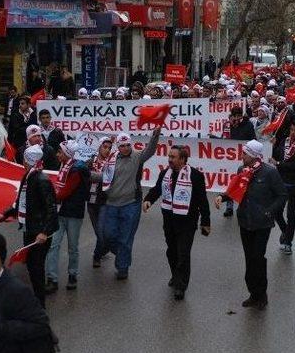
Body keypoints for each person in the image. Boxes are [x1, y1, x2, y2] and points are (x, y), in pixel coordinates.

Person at [214, 140, 287, 309]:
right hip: (245, 221)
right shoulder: (243, 170)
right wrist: (222, 197)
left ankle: (261, 295)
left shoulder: (269, 172)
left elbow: (282, 195)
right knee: (249, 258)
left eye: (245, 154)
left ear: (254, 156)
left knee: (258, 258)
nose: (242, 156)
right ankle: (253, 293)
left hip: (262, 224)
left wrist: (269, 211)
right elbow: (235, 190)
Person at [143, 145, 210, 300]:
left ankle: (181, 286)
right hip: (169, 220)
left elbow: (203, 201)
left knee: (183, 253)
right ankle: (176, 274)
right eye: (169, 157)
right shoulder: (165, 174)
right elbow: (157, 189)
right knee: (171, 251)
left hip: (187, 221)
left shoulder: (195, 176)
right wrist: (148, 200)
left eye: (173, 157)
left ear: (182, 159)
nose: (170, 160)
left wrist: (205, 221)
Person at [0, 145, 59, 307]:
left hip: (39, 232)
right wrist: (6, 213)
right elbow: (22, 202)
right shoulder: (29, 176)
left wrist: (44, 232)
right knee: (31, 266)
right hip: (29, 227)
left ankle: (40, 303)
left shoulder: (42, 180)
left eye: (25, 158)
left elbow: (51, 209)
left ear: (29, 160)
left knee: (36, 266)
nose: (23, 161)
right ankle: (36, 297)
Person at [100, 127, 161, 280]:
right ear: (118, 147)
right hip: (112, 203)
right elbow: (103, 177)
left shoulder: (137, 157)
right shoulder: (111, 159)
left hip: (131, 204)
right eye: (122, 145)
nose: (126, 148)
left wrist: (155, 135)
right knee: (107, 235)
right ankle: (121, 253)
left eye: (128, 145)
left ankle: (122, 267)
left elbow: (151, 150)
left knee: (126, 238)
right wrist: (87, 175)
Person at [45, 141, 90, 293]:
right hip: (60, 212)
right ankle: (52, 278)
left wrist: (48, 197)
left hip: (73, 213)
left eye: (60, 152)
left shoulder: (76, 170)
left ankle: (72, 275)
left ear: (67, 154)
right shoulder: (64, 167)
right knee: (53, 245)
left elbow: (64, 192)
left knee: (72, 247)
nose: (57, 154)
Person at [270, 121, 295, 255]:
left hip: (293, 184)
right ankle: (286, 231)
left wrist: (278, 163)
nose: (293, 133)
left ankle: (287, 243)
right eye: (291, 130)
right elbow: (275, 156)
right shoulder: (284, 141)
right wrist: (272, 146)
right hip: (280, 182)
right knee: (277, 211)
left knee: (291, 215)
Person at [87, 137, 113, 268]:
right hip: (91, 201)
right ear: (99, 147)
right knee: (99, 232)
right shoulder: (90, 161)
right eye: (105, 147)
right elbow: (84, 177)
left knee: (102, 232)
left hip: (104, 201)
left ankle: (97, 256)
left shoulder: (112, 163)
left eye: (109, 148)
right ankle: (102, 249)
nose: (107, 150)